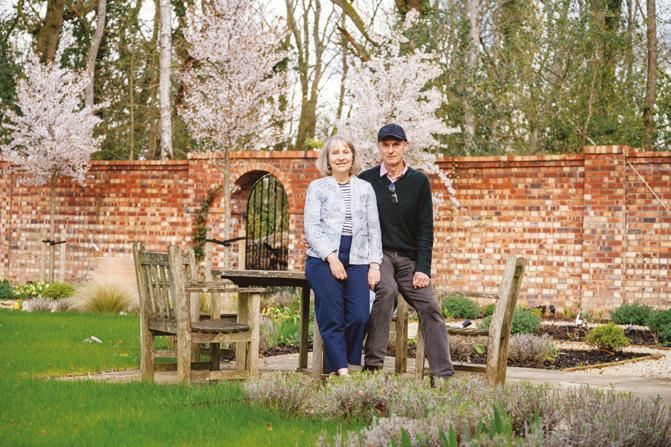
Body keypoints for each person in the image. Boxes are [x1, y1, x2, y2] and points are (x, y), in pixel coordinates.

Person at [359, 123, 454, 383]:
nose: (391, 150)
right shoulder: (366, 180)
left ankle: (443, 375)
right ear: (379, 147)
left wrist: (423, 268)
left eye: (396, 145)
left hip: (409, 260)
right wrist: (368, 262)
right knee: (387, 291)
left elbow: (425, 229)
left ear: (405, 146)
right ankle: (373, 366)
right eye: (386, 145)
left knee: (430, 306)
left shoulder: (419, 182)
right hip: (380, 255)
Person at [304, 135, 383, 376]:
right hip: (322, 259)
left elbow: (374, 229)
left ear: (353, 156)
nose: (341, 157)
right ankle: (342, 371)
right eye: (335, 152)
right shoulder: (317, 187)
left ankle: (342, 364)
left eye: (345, 152)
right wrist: (332, 258)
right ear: (328, 159)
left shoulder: (365, 188)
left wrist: (374, 264)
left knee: (359, 315)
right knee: (332, 315)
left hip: (358, 258)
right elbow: (311, 228)